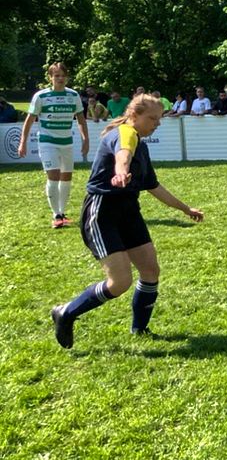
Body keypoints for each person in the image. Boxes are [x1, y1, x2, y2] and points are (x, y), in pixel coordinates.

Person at [49, 95, 203, 349]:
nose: (157, 124)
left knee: (150, 271)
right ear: (134, 116)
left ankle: (140, 330)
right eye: (152, 118)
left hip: (129, 211)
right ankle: (66, 312)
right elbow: (123, 155)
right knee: (119, 282)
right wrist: (120, 173)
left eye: (159, 119)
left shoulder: (141, 145)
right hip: (103, 212)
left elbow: (152, 185)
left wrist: (185, 209)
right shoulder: (125, 133)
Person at [18, 62, 90, 228]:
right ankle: (56, 215)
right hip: (47, 141)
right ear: (50, 78)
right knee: (54, 175)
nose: (60, 79)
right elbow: (29, 120)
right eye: (56, 75)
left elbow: (81, 119)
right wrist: (23, 142)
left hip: (67, 143)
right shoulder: (41, 96)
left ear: (67, 77)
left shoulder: (73, 96)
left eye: (63, 75)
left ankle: (62, 213)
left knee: (66, 177)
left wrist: (85, 139)